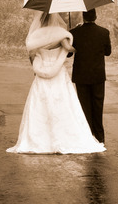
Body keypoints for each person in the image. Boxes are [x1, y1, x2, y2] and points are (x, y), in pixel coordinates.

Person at [6, 11, 105, 155]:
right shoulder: (60, 33)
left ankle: (38, 139)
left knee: (40, 105)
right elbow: (70, 49)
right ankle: (65, 137)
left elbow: (32, 55)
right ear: (55, 18)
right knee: (64, 105)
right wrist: (71, 38)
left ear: (40, 20)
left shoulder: (36, 35)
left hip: (42, 73)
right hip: (58, 74)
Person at [68, 8, 111, 144]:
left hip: (81, 76)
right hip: (97, 75)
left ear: (83, 17)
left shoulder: (74, 33)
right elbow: (107, 52)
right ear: (96, 16)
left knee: (84, 106)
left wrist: (69, 34)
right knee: (98, 106)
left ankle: (87, 136)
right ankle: (100, 137)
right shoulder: (104, 32)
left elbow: (69, 54)